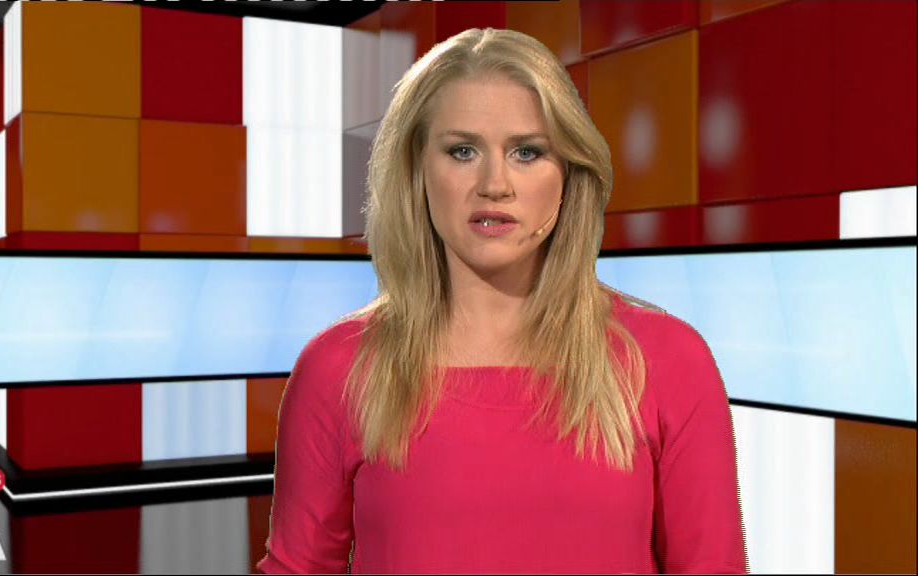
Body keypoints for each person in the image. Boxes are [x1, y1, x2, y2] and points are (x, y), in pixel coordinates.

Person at [257, 27, 748, 574]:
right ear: (417, 170)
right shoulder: (337, 369)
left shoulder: (668, 360)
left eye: (527, 152)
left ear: (569, 173)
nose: (495, 184)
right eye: (462, 151)